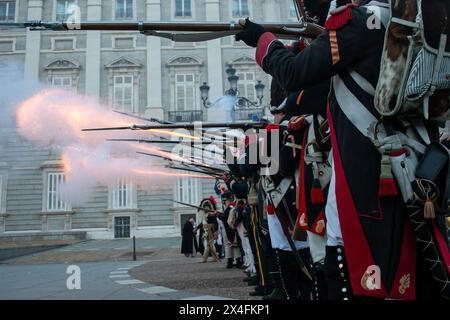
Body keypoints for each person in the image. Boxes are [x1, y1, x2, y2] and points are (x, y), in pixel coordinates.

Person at [235, 0, 428, 300]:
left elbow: (295, 76)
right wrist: (308, 49)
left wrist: (263, 41)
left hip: (366, 167)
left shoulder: (354, 22)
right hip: (410, 156)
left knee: (361, 264)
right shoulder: (406, 20)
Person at [195, 197, 221, 263]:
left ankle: (205, 259)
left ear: (209, 208)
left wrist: (215, 232)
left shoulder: (211, 215)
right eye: (204, 207)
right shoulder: (204, 215)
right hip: (205, 231)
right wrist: (196, 228)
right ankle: (215, 258)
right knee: (210, 246)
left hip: (209, 231)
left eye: (207, 207)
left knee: (208, 246)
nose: (205, 209)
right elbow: (202, 223)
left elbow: (215, 223)